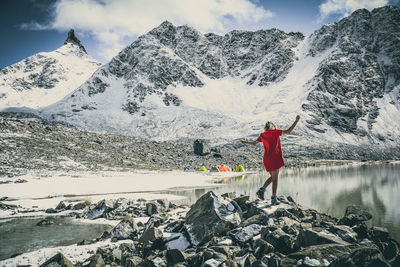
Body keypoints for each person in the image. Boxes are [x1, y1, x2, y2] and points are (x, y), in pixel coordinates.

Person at [240, 115, 300, 204]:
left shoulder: (263, 135)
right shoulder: (275, 132)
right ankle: (273, 198)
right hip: (274, 157)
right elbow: (288, 131)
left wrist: (245, 142)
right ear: (273, 126)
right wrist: (296, 121)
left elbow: (253, 144)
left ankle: (261, 190)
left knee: (272, 177)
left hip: (267, 158)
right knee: (275, 179)